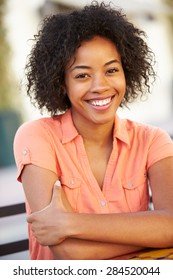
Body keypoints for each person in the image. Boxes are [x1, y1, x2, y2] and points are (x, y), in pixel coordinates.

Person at [13, 1, 173, 260]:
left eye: (112, 70)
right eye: (82, 75)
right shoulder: (37, 137)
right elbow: (68, 252)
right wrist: (149, 235)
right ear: (61, 83)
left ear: (127, 72)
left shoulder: (153, 141)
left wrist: (71, 224)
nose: (100, 86)